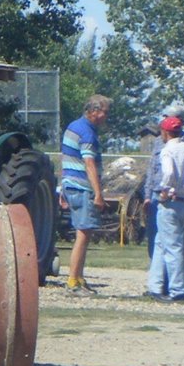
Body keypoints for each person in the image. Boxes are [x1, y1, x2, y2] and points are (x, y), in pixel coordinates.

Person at [147, 115, 184, 301]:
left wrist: (165, 189)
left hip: (171, 202)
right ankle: (155, 285)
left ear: (165, 132)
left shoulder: (168, 150)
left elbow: (169, 173)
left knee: (172, 246)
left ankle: (177, 289)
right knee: (161, 242)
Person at [60, 94, 111, 295]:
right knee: (83, 233)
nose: (106, 116)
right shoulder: (88, 133)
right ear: (93, 111)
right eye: (104, 112)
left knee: (84, 232)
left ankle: (79, 278)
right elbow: (89, 163)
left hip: (70, 184)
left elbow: (65, 158)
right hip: (82, 187)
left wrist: (62, 188)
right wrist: (98, 193)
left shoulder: (74, 126)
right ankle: (73, 281)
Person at [142, 104, 184, 263]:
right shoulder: (159, 141)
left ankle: (172, 278)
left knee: (173, 239)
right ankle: (156, 273)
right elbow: (152, 169)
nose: (164, 120)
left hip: (175, 196)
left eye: (168, 117)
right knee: (154, 235)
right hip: (156, 194)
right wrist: (147, 195)